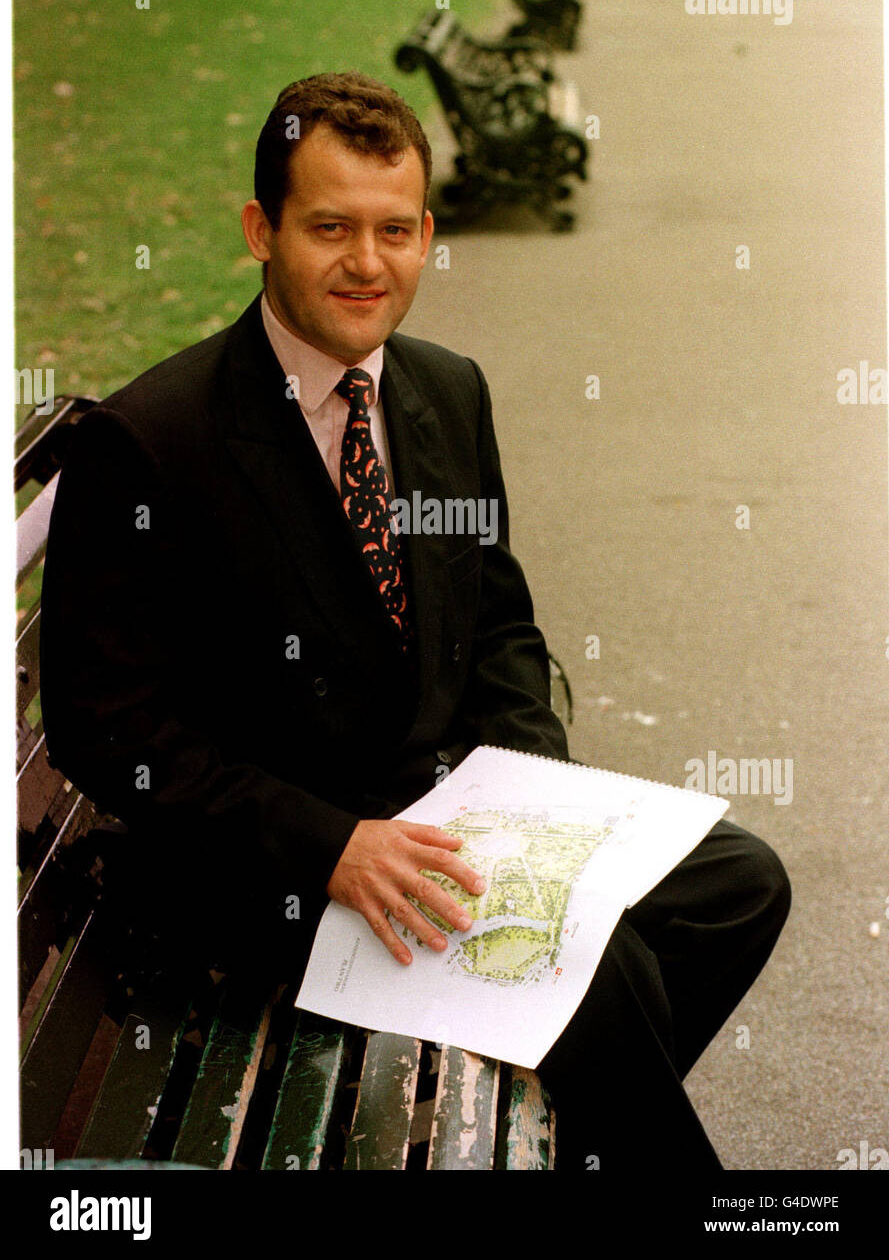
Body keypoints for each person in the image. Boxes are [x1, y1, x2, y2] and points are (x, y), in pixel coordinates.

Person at [39, 72, 790, 1171]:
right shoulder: (152, 442)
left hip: (449, 827)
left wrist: (541, 802)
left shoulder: (447, 389)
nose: (366, 262)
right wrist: (331, 845)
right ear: (262, 228)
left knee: (738, 883)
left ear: (427, 235)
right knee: (601, 967)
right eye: (329, 226)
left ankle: (571, 1139)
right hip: (268, 883)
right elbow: (110, 731)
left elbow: (498, 625)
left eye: (395, 230)